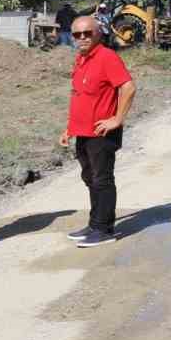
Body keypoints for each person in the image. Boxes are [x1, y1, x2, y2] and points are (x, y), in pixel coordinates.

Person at [60, 15, 136, 248]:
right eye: (77, 34)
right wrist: (69, 128)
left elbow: (128, 87)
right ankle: (94, 224)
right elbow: (81, 96)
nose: (82, 38)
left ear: (98, 34)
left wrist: (117, 119)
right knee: (90, 178)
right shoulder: (81, 59)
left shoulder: (107, 57)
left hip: (102, 134)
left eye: (87, 33)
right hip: (83, 132)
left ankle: (104, 229)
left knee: (102, 179)